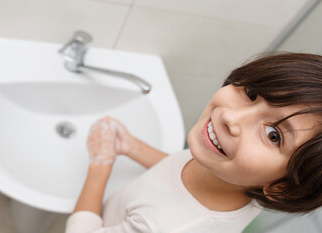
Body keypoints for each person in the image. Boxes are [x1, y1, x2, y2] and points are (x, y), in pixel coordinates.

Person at [65, 52, 322, 233]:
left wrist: (100, 166)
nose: (231, 117)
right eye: (252, 94)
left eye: (273, 135)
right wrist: (132, 147)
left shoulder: (162, 226)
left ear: (282, 187)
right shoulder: (232, 173)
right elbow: (176, 176)